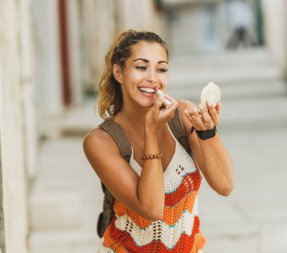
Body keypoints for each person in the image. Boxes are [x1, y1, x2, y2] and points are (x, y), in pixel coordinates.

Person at [83, 30, 234, 253]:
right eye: (141, 67)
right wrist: (150, 134)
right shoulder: (101, 142)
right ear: (119, 72)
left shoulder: (183, 115)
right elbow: (151, 208)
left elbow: (224, 185)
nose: (153, 78)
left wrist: (208, 132)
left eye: (161, 69)